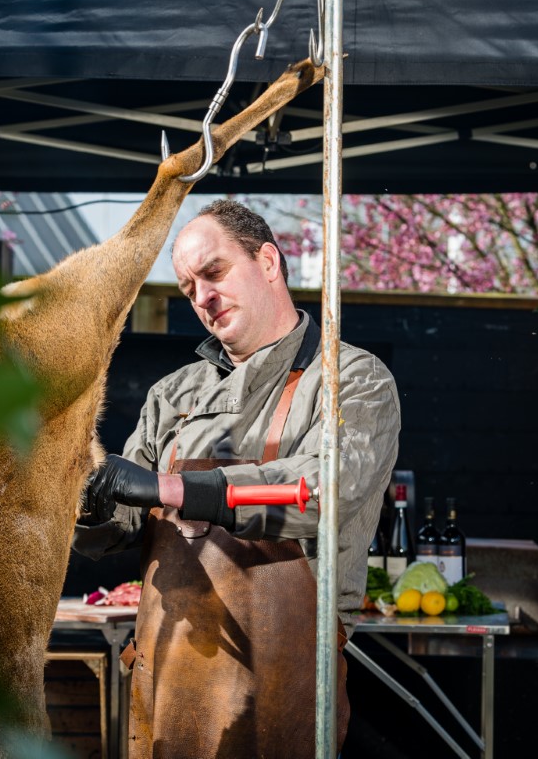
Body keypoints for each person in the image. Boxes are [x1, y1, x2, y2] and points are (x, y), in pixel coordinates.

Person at [73, 199, 400, 759]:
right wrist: (82, 498)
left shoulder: (351, 378)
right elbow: (120, 526)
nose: (202, 298)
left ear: (268, 262)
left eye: (214, 272)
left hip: (285, 676)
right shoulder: (171, 396)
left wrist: (173, 489)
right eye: (188, 287)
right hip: (169, 669)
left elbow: (325, 490)